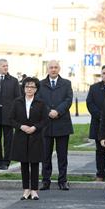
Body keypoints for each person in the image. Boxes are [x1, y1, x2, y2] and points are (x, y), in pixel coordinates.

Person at [37, 60, 73, 191]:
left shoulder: (66, 83)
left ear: (59, 68)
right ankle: (45, 181)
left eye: (56, 67)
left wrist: (57, 111)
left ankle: (62, 181)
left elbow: (68, 100)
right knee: (45, 155)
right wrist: (48, 112)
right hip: (45, 125)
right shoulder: (40, 84)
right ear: (47, 69)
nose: (53, 69)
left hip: (62, 123)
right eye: (51, 67)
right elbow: (38, 100)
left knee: (62, 156)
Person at [10, 77, 48, 200]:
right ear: (23, 88)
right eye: (27, 86)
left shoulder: (41, 103)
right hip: (21, 136)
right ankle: (26, 189)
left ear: (36, 89)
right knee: (24, 164)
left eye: (32, 87)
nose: (29, 89)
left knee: (35, 163)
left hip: (35, 137)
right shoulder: (17, 102)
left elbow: (44, 120)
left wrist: (35, 128)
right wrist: (21, 126)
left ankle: (34, 190)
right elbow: (11, 119)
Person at [86, 65, 105, 181]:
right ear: (101, 74)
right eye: (104, 73)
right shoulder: (94, 88)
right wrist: (102, 117)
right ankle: (100, 174)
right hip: (98, 124)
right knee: (100, 152)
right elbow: (90, 104)